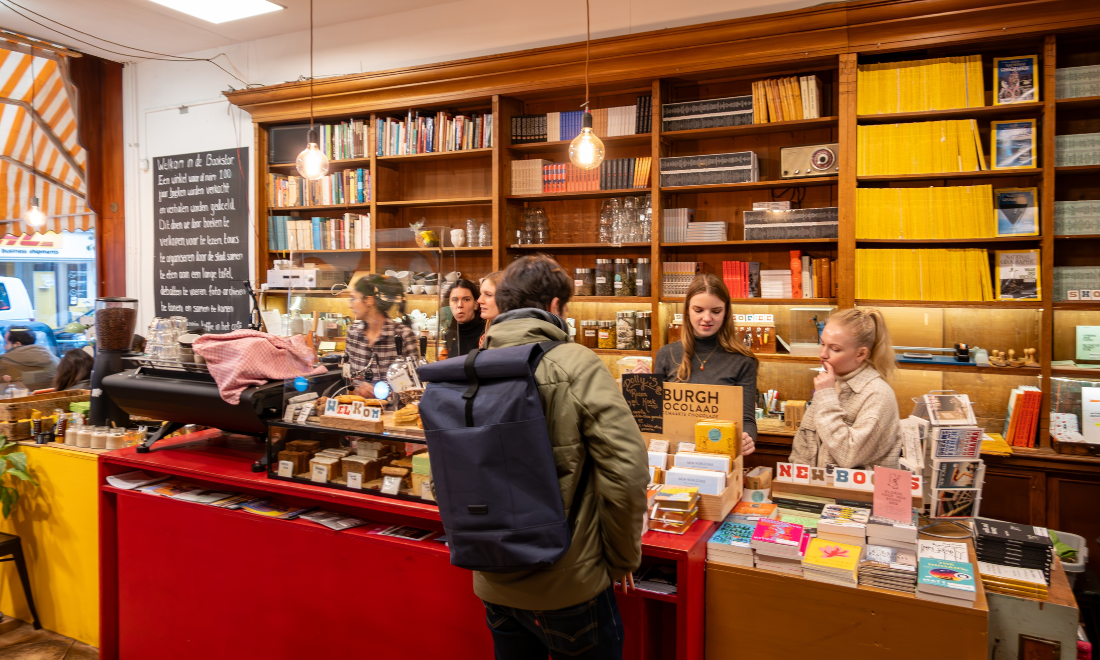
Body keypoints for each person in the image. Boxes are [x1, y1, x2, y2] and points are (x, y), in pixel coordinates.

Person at [480, 255, 649, 659]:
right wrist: (623, 557)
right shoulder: (574, 362)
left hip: (492, 575)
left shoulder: (474, 364)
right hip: (568, 581)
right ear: (555, 307)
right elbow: (626, 471)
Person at [633, 274, 757, 456]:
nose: (707, 318)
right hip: (673, 457)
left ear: (726, 313)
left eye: (716, 311)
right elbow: (652, 418)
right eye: (699, 310)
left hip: (719, 455)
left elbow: (747, 419)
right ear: (687, 311)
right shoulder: (666, 354)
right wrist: (641, 388)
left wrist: (747, 438)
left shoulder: (743, 360)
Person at [788, 308, 902, 469]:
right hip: (817, 491)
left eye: (835, 349)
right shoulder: (831, 382)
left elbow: (848, 455)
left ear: (861, 354)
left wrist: (826, 398)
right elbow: (804, 443)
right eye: (822, 344)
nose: (823, 354)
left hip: (859, 493)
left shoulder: (878, 394)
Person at [345, 274, 420, 397]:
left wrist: (379, 394)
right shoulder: (353, 334)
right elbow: (348, 379)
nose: (350, 305)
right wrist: (355, 390)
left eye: (353, 298)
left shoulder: (403, 335)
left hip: (392, 413)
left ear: (369, 300)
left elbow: (414, 386)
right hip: (359, 412)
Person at [443, 279, 484, 358]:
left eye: (466, 299)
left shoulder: (484, 335)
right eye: (454, 300)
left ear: (476, 304)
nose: (459, 305)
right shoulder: (448, 335)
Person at [477, 270, 502, 348]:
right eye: (481, 294)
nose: (479, 300)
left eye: (488, 295)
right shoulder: (485, 337)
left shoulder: (509, 338)